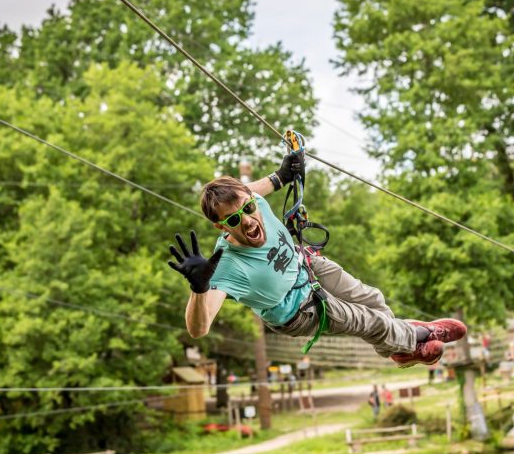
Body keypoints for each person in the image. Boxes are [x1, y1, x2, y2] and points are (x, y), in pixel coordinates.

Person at [167, 150, 467, 367]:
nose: (246, 222)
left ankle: (400, 350)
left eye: (247, 210)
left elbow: (250, 192)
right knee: (368, 320)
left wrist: (280, 177)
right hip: (298, 310)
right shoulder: (227, 266)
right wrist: (199, 290)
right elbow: (198, 329)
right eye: (233, 221)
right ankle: (417, 335)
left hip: (304, 265)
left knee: (372, 299)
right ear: (220, 226)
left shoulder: (251, 201)